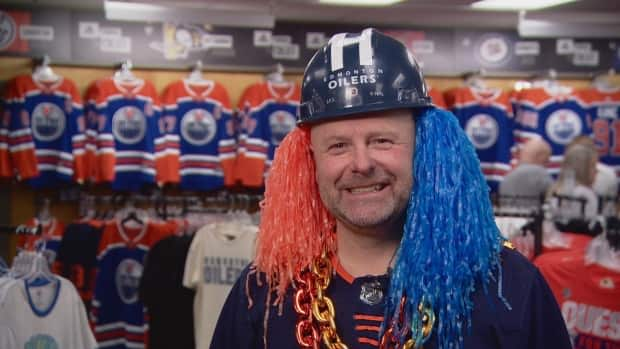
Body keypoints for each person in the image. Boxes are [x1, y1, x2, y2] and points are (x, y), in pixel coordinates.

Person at [210, 28, 571, 349]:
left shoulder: (510, 287)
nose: (362, 163)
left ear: (423, 148)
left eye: (382, 140)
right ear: (311, 160)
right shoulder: (263, 292)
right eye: (337, 146)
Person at [548, 143, 600, 222]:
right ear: (583, 169)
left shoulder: (554, 191)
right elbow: (591, 225)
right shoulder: (585, 195)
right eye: (593, 166)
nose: (597, 171)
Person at [499, 137, 552, 201]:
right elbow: (554, 199)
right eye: (547, 159)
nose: (549, 162)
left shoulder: (507, 177)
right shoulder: (541, 174)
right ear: (541, 156)